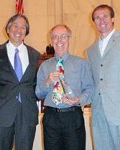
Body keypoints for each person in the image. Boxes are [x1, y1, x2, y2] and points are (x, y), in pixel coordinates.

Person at [36, 24, 94, 150]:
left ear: (69, 39)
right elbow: (38, 93)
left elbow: (90, 89)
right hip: (51, 117)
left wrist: (79, 100)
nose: (59, 41)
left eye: (63, 37)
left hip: (73, 116)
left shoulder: (81, 64)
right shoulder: (44, 66)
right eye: (55, 37)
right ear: (51, 41)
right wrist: (47, 82)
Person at [0, 14, 40, 150]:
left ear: (26, 32)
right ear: (8, 29)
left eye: (23, 27)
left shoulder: (35, 55)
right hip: (2, 114)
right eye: (15, 26)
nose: (19, 30)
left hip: (27, 113)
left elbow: (35, 83)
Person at [87, 4, 120, 150]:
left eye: (105, 16)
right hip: (99, 111)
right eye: (97, 17)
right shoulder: (90, 51)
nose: (101, 20)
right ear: (93, 22)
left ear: (113, 18)